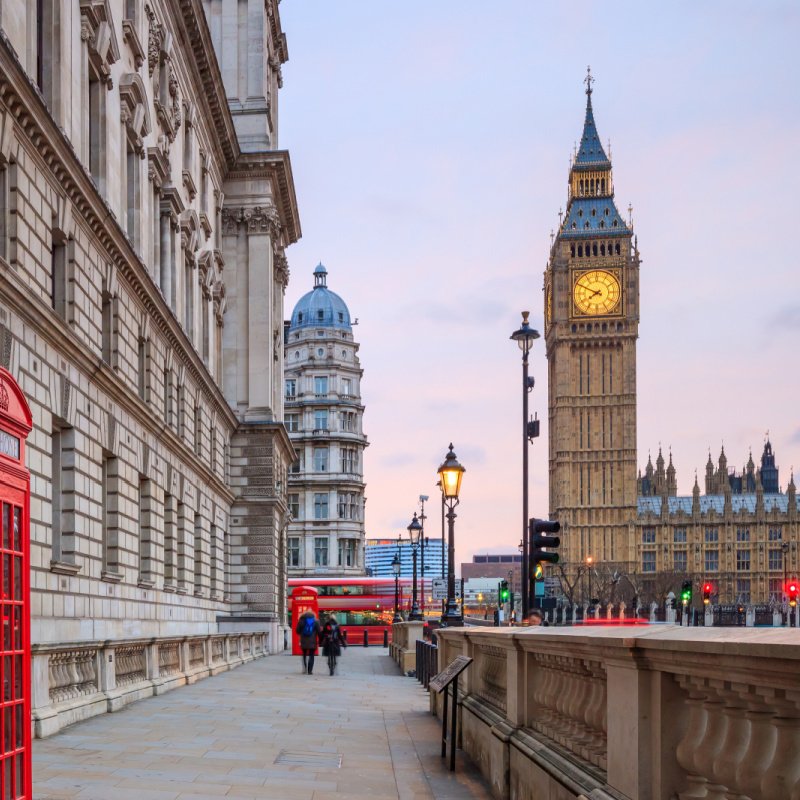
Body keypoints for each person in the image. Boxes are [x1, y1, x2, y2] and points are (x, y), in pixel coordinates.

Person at [295, 609, 321, 674]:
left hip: (303, 641)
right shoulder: (316, 621)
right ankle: (310, 671)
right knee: (311, 655)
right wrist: (321, 640)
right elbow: (319, 632)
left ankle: (305, 669)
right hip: (313, 642)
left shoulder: (301, 620)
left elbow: (297, 631)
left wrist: (301, 632)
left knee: (304, 654)